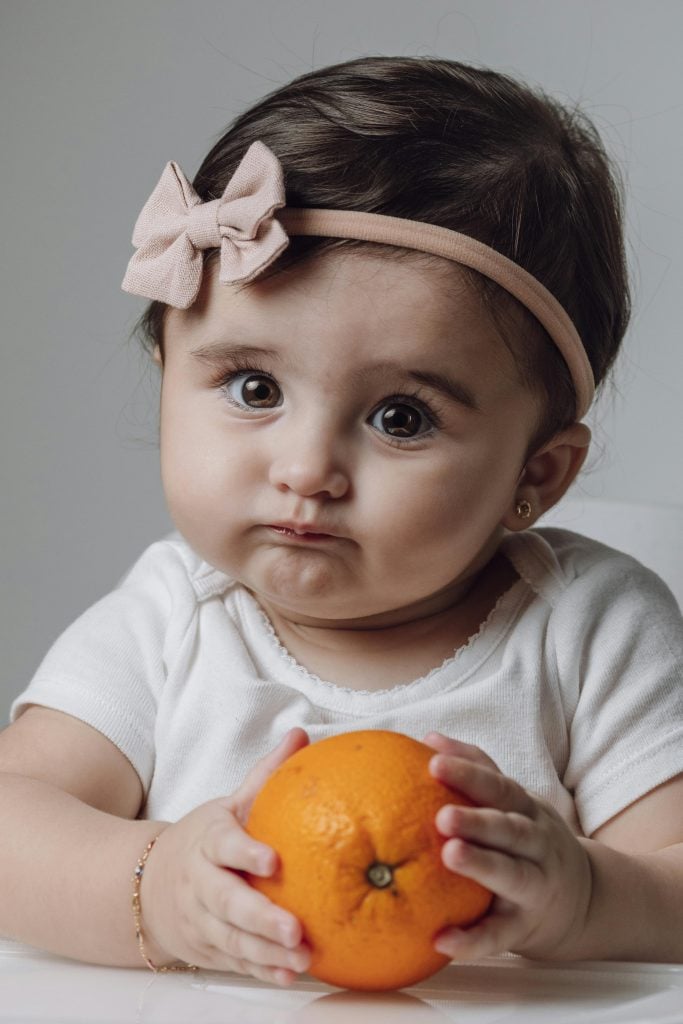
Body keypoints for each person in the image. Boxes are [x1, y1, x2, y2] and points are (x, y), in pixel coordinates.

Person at [1, 55, 681, 985]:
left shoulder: (590, 628)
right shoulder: (173, 618)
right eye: (254, 387)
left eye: (400, 417)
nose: (307, 470)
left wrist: (588, 898)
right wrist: (152, 885)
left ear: (537, 472)